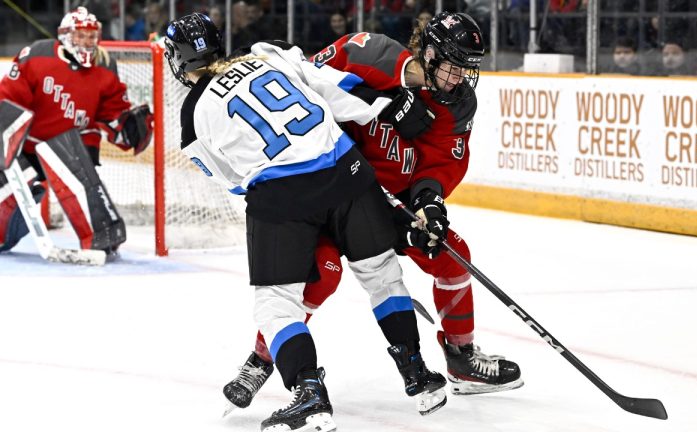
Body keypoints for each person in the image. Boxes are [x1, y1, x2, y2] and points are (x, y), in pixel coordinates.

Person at [222, 11, 523, 415]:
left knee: (453, 257)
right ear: (429, 54)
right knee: (323, 274)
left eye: (467, 70)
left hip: (393, 204)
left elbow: (438, 166)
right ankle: (261, 359)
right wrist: (377, 99)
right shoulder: (378, 59)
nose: (458, 80)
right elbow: (310, 79)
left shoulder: (457, 106)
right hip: (333, 189)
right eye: (452, 67)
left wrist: (428, 205)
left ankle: (461, 357)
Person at [163, 12, 448, 431]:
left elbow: (231, 178)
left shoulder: (192, 116)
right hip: (347, 168)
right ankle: (418, 375)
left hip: (283, 195)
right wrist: (383, 106)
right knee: (382, 275)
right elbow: (329, 87)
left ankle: (309, 392)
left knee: (276, 303)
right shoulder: (264, 54)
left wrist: (278, 199)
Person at [0, 7, 153, 258]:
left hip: (71, 145)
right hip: (25, 146)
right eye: (80, 36)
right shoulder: (37, 55)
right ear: (64, 35)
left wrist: (128, 127)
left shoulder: (104, 66)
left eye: (91, 37)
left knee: (74, 159)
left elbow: (113, 112)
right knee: (13, 191)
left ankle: (103, 235)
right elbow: (9, 97)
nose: (87, 42)